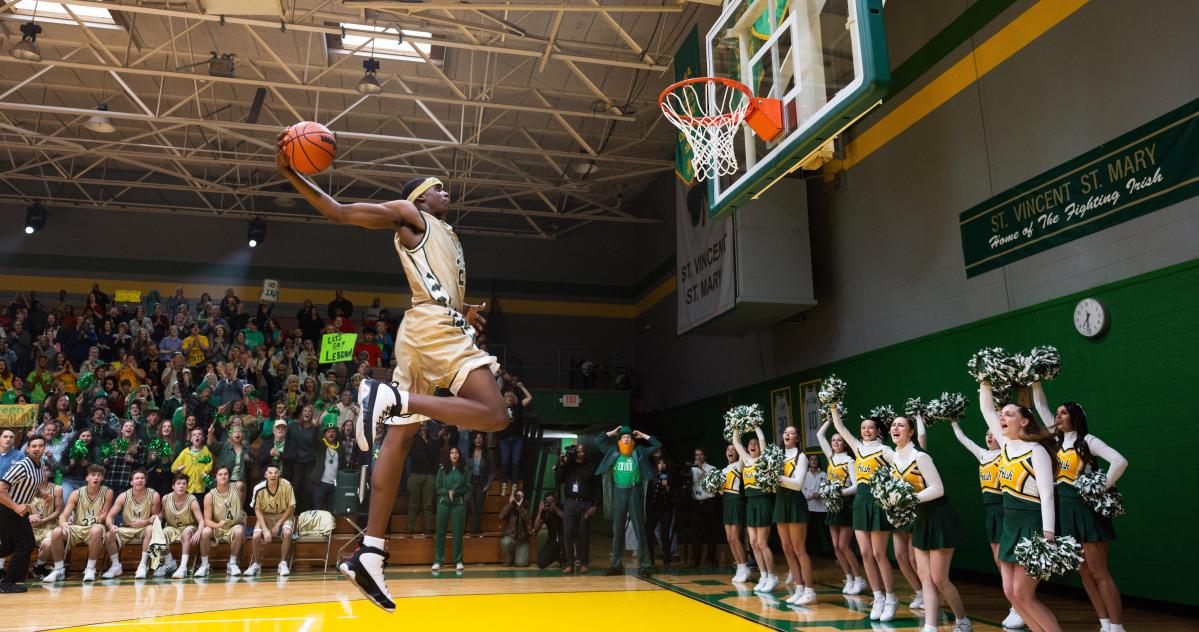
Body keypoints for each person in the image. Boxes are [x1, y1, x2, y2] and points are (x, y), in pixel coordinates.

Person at [277, 150, 509, 611]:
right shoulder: (410, 215)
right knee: (496, 415)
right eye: (437, 186)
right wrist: (292, 172)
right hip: (432, 331)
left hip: (427, 329)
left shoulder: (444, 235)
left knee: (397, 445)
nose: (447, 191)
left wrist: (463, 311)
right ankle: (394, 395)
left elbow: (432, 286)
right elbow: (339, 212)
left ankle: (371, 551)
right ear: (419, 197)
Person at [1042, 392, 1129, 632]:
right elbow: (1041, 407)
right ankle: (1104, 624)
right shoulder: (1057, 444)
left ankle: (1117, 626)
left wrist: (1099, 487)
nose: (1057, 416)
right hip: (1065, 510)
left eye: (1063, 413)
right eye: (1057, 412)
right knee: (1083, 572)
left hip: (1085, 510)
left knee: (1099, 572)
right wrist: (1035, 380)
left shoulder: (1088, 441)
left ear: (1075, 417)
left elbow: (1119, 461)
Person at [980, 382, 1061, 632]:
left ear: (1024, 421)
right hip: (1009, 525)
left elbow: (1047, 495)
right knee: (1011, 594)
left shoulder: (1036, 451)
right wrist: (984, 380)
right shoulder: (1005, 446)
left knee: (1023, 594)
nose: (1002, 417)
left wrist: (1048, 535)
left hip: (1032, 525)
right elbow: (986, 409)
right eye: (1001, 414)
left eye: (1009, 413)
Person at [887, 416, 972, 632]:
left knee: (939, 578)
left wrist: (909, 499)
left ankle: (962, 621)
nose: (895, 428)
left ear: (911, 432)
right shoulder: (895, 457)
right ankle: (930, 626)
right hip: (921, 519)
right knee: (924, 576)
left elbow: (938, 489)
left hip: (939, 517)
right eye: (893, 425)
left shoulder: (920, 456)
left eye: (901, 425)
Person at [950, 416, 1023, 628]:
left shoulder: (1008, 453)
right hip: (990, 512)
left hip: (1005, 509)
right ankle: (1014, 603)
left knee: (1009, 559)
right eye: (987, 434)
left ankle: (1019, 604)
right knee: (999, 560)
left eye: (994, 433)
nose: (990, 436)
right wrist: (954, 422)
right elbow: (964, 440)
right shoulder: (983, 455)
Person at [831, 406, 900, 621]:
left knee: (879, 554)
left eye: (871, 427)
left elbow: (901, 470)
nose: (867, 430)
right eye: (863, 427)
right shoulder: (858, 448)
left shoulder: (886, 451)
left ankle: (891, 598)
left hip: (878, 502)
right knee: (865, 554)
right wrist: (833, 406)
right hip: (860, 502)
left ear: (878, 430)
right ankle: (877, 597)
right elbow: (840, 427)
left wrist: (892, 492)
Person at [587, 426, 660, 578]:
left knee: (640, 529)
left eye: (629, 437)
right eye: (623, 437)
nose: (626, 439)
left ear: (632, 441)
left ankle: (645, 566)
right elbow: (597, 440)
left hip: (634, 491)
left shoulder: (638, 451)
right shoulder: (612, 451)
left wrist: (643, 435)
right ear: (619, 441)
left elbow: (657, 445)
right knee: (617, 530)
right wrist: (612, 433)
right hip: (619, 492)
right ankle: (615, 565)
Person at [816, 419, 865, 595]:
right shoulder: (830, 458)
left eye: (839, 440)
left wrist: (839, 492)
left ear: (845, 444)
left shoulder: (850, 461)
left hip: (845, 504)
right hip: (832, 504)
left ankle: (859, 579)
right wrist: (830, 418)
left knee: (844, 545)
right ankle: (849, 577)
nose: (836, 442)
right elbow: (819, 435)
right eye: (834, 440)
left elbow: (857, 485)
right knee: (835, 546)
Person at [43, 464, 112, 583]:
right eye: (93, 475)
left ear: (102, 478)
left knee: (97, 529)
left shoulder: (107, 492)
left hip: (95, 528)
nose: (96, 477)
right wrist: (63, 523)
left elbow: (103, 515)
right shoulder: (76, 493)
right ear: (87, 478)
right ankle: (59, 570)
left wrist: (99, 519)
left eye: (99, 475)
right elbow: (64, 515)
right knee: (56, 532)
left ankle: (90, 569)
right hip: (77, 527)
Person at [774, 425, 817, 606]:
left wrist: (775, 477)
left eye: (792, 433)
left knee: (799, 549)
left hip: (795, 503)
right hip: (781, 503)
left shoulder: (802, 457)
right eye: (785, 432)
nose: (787, 435)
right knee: (786, 548)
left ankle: (810, 591)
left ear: (797, 438)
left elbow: (798, 484)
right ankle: (799, 588)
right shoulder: (776, 457)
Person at [732, 425, 778, 593]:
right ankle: (764, 575)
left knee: (762, 542)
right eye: (750, 443)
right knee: (752, 542)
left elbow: (763, 441)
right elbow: (736, 443)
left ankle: (772, 576)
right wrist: (736, 427)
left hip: (763, 501)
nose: (753, 445)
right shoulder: (746, 459)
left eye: (755, 443)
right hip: (750, 503)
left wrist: (757, 427)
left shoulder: (764, 459)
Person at [0, 435, 46, 592]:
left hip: (19, 510)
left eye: (40, 446)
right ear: (28, 449)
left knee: (8, 546)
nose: (37, 449)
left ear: (44, 448)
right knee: (26, 543)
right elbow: (1, 489)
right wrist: (15, 506)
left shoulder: (41, 464)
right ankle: (7, 583)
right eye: (34, 446)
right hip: (7, 509)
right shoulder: (22, 466)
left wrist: (42, 493)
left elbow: (34, 482)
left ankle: (11, 579)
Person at [100, 470, 161, 579]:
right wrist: (111, 526)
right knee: (109, 535)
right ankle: (115, 566)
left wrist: (145, 522)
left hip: (144, 528)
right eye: (136, 478)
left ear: (146, 481)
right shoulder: (123, 496)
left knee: (151, 529)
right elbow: (109, 516)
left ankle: (142, 565)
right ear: (131, 482)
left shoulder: (154, 495)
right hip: (126, 528)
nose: (139, 480)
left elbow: (156, 518)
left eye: (142, 478)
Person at [555, 443, 598, 574]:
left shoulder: (591, 467)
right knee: (567, 533)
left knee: (583, 533)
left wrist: (595, 506)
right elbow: (559, 480)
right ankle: (569, 564)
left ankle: (584, 562)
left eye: (583, 451)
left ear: (586, 452)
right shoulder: (568, 466)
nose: (581, 454)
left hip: (585, 504)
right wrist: (561, 465)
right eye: (579, 452)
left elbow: (598, 489)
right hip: (570, 503)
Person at [247, 464, 296, 577]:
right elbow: (257, 509)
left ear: (279, 474)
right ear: (265, 475)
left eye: (275, 472)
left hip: (283, 514)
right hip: (265, 515)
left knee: (287, 533)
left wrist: (278, 524)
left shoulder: (287, 485)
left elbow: (291, 507)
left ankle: (283, 564)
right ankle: (256, 565)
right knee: (256, 536)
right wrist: (265, 529)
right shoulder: (258, 488)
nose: (273, 475)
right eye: (270, 473)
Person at [201, 466, 246, 577]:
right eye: (220, 474)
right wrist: (216, 525)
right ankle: (204, 565)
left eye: (226, 474)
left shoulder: (238, 486)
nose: (223, 476)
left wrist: (241, 508)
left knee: (239, 531)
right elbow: (206, 520)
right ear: (215, 478)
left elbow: (243, 492)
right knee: (205, 532)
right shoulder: (209, 496)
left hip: (233, 526)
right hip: (217, 527)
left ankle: (232, 563)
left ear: (229, 476)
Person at [160, 474, 204, 578]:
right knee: (161, 533)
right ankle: (169, 562)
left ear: (187, 486)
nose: (181, 486)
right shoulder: (166, 498)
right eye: (178, 484)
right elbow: (162, 513)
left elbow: (201, 521)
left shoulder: (192, 500)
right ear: (173, 486)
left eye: (184, 484)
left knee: (186, 531)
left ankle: (183, 567)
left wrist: (198, 532)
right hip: (172, 527)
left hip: (189, 527)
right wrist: (156, 517)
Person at [433, 446, 469, 572]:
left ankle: (458, 561)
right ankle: (438, 561)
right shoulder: (442, 469)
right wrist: (446, 492)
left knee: (458, 533)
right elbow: (437, 487)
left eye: (456, 452)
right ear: (449, 455)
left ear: (459, 455)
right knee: (440, 533)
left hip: (458, 504)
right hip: (443, 503)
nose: (454, 455)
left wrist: (457, 492)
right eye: (452, 453)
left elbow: (467, 486)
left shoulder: (464, 470)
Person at [26, 461, 63, 580]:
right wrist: (28, 517)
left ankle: (39, 567)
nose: (43, 472)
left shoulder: (57, 489)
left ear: (50, 472)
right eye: (40, 469)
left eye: (46, 469)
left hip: (48, 525)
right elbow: (17, 508)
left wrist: (43, 520)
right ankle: (18, 570)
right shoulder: (26, 488)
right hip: (28, 526)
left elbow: (58, 511)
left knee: (48, 543)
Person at [718, 444, 749, 583]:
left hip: (736, 501)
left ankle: (744, 567)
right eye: (728, 449)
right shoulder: (723, 470)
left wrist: (737, 437)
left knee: (736, 537)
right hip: (726, 502)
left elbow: (743, 454)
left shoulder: (739, 466)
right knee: (729, 538)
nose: (730, 451)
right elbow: (720, 491)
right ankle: (739, 567)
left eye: (733, 450)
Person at [497, 382, 532, 496]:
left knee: (515, 462)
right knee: (505, 462)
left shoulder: (518, 407)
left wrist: (521, 387)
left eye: (511, 396)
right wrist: (498, 389)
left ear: (514, 398)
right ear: (503, 398)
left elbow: (530, 397)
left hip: (517, 439)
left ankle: (514, 485)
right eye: (507, 396)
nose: (509, 398)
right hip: (504, 439)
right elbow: (491, 399)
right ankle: (504, 484)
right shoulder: (500, 408)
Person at [405, 421, 440, 535]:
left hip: (429, 475)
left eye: (425, 426)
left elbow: (433, 455)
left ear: (428, 428)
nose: (424, 428)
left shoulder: (433, 441)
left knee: (428, 505)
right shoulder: (413, 440)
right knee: (412, 505)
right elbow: (414, 456)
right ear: (418, 428)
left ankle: (429, 529)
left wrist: (425, 442)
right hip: (415, 475)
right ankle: (409, 529)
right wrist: (426, 452)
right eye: (422, 426)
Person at [688, 448, 720, 568]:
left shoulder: (711, 468)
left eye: (701, 455)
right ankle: (696, 560)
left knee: (711, 532)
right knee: (696, 533)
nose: (698, 457)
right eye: (696, 455)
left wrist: (700, 468)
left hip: (709, 503)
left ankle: (710, 559)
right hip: (696, 504)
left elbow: (711, 483)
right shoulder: (691, 469)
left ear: (705, 456)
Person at [644, 456, 676, 570]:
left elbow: (672, 496)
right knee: (648, 533)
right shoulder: (652, 476)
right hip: (653, 509)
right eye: (659, 463)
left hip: (666, 509)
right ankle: (650, 560)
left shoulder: (670, 476)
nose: (661, 465)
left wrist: (667, 485)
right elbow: (648, 494)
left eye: (663, 463)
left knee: (664, 535)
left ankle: (667, 561)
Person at [172, 428, 214, 503]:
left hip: (201, 487)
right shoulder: (185, 452)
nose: (197, 436)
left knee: (199, 506)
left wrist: (205, 471)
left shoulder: (206, 451)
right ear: (191, 439)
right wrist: (178, 469)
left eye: (199, 434)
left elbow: (209, 463)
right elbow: (174, 467)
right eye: (194, 435)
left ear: (203, 438)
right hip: (187, 488)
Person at [465, 432, 495, 536]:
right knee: (466, 504)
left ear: (483, 440)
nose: (478, 439)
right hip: (469, 482)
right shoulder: (468, 452)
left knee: (478, 508)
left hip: (481, 483)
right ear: (473, 440)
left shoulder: (488, 453)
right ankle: (462, 530)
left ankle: (474, 531)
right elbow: (463, 469)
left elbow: (492, 471)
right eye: (476, 438)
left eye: (480, 437)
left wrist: (488, 485)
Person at [498, 489, 532, 567]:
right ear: (513, 497)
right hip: (511, 537)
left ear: (523, 498)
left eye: (521, 496)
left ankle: (516, 555)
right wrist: (510, 504)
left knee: (521, 563)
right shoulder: (509, 507)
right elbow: (500, 517)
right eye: (517, 495)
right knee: (505, 542)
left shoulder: (525, 507)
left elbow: (527, 519)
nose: (519, 497)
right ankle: (508, 558)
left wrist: (520, 507)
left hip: (522, 540)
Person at [533, 492, 564, 570]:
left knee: (567, 563)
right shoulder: (545, 511)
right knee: (541, 563)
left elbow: (567, 519)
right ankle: (556, 556)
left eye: (552, 501)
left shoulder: (561, 507)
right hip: (552, 540)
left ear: (556, 501)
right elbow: (536, 528)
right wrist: (539, 512)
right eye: (547, 502)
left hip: (563, 539)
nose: (549, 503)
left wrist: (556, 509)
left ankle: (561, 556)